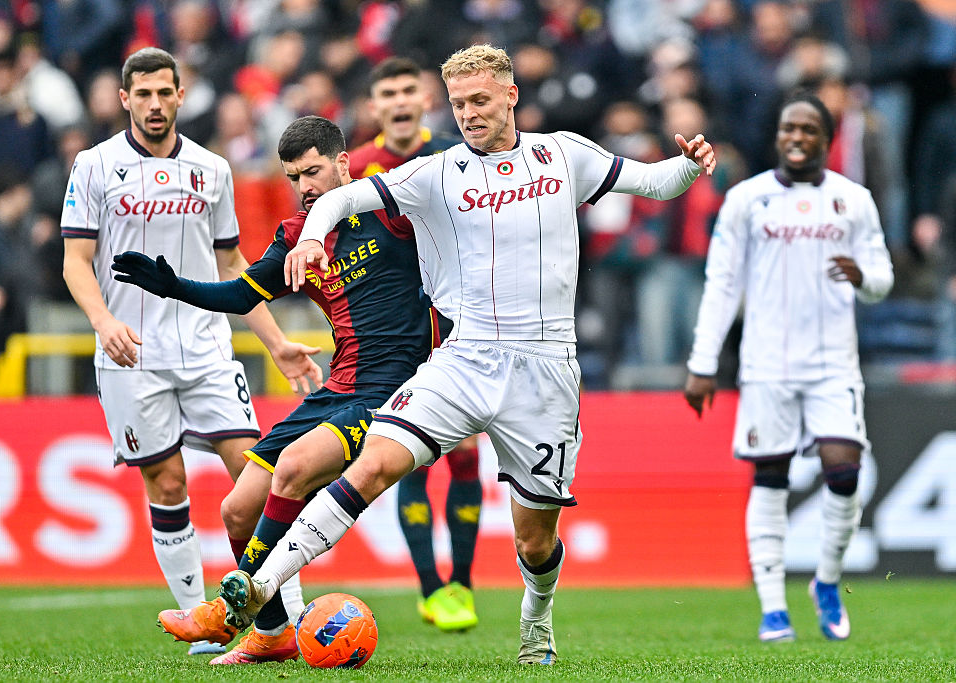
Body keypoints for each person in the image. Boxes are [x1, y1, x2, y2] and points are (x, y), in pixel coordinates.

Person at [205, 43, 716, 665]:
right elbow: (341, 199)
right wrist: (312, 238)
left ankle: (537, 618)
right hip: (465, 357)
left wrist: (689, 166)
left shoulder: (564, 154)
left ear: (511, 96)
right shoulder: (437, 172)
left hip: (545, 370)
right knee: (372, 464)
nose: (469, 114)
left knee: (535, 539)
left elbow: (654, 180)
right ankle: (260, 584)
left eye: (479, 100)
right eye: (458, 104)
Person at [111, 114, 450, 664]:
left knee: (293, 468)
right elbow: (242, 295)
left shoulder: (394, 213)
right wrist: (174, 287)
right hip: (338, 387)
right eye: (295, 177)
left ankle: (232, 605)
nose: (306, 186)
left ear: (344, 163)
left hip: (396, 390)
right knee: (236, 510)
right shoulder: (297, 236)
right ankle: (272, 634)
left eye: (314, 171)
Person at [60, 47, 322, 656]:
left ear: (182, 95)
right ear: (125, 99)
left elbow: (233, 264)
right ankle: (198, 618)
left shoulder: (212, 169)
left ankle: (290, 619)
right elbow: (75, 262)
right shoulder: (94, 166)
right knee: (166, 478)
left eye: (164, 93)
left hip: (207, 348)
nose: (154, 104)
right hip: (132, 353)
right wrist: (103, 322)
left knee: (257, 479)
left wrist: (278, 343)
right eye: (142, 94)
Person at [683, 91, 893, 643]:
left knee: (843, 471)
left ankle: (826, 581)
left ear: (826, 139)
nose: (797, 138)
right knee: (769, 476)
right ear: (777, 135)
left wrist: (864, 278)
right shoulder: (747, 199)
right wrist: (703, 362)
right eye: (788, 129)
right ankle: (773, 608)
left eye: (808, 130)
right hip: (767, 362)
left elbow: (883, 275)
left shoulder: (855, 200)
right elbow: (722, 282)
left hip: (833, 362)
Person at [350, 55, 481, 632]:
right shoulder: (356, 170)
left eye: (409, 89)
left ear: (425, 98)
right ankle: (432, 588)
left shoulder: (458, 156)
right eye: (388, 93)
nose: (400, 101)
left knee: (468, 456)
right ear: (374, 107)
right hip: (398, 337)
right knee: (411, 462)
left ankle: (465, 585)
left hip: (460, 329)